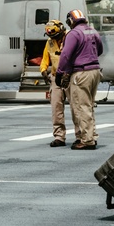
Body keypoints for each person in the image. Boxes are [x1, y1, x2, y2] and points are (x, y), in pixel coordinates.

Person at [55, 9, 104, 150]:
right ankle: (92, 136)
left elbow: (65, 55)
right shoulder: (92, 31)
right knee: (89, 105)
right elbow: (99, 50)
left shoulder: (74, 34)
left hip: (81, 73)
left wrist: (60, 73)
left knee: (81, 107)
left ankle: (87, 141)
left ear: (71, 21)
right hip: (95, 71)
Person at [40, 19, 74, 147]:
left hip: (70, 76)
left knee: (76, 107)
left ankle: (81, 136)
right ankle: (59, 137)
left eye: (56, 36)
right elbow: (45, 59)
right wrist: (43, 70)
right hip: (56, 78)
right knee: (56, 108)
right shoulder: (49, 42)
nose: (54, 39)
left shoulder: (71, 39)